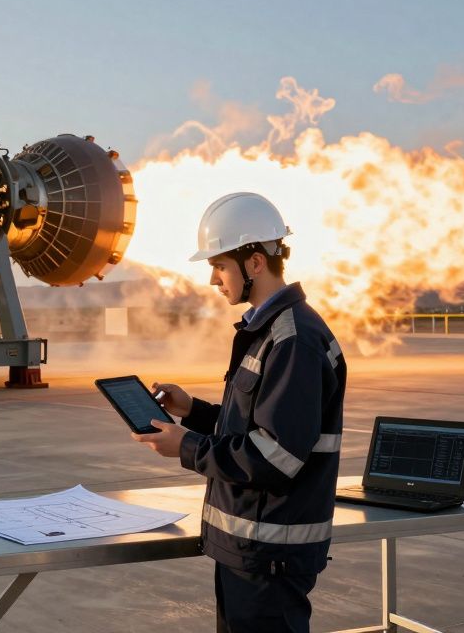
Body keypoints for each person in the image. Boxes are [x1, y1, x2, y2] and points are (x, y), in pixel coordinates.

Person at [132, 191, 346, 633]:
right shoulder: (267, 331)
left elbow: (275, 457)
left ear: (254, 263)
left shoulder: (293, 340)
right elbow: (249, 428)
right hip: (249, 551)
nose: (213, 279)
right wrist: (190, 411)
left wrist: (185, 448)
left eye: (219, 265)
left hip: (270, 557)